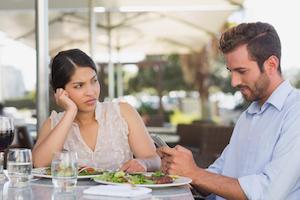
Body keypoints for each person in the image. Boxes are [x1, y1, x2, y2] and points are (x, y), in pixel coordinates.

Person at [158, 22, 300, 199]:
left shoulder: (295, 112)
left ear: (271, 64)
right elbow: (218, 175)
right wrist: (183, 171)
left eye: (241, 71)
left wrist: (195, 174)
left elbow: (268, 192)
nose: (234, 82)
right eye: (231, 71)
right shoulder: (248, 116)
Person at [32, 49, 160, 172]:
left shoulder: (123, 113)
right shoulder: (53, 123)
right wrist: (70, 112)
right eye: (79, 86)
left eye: (94, 81)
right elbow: (38, 164)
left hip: (121, 193)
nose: (91, 92)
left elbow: (154, 159)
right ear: (61, 92)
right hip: (71, 194)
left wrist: (144, 163)